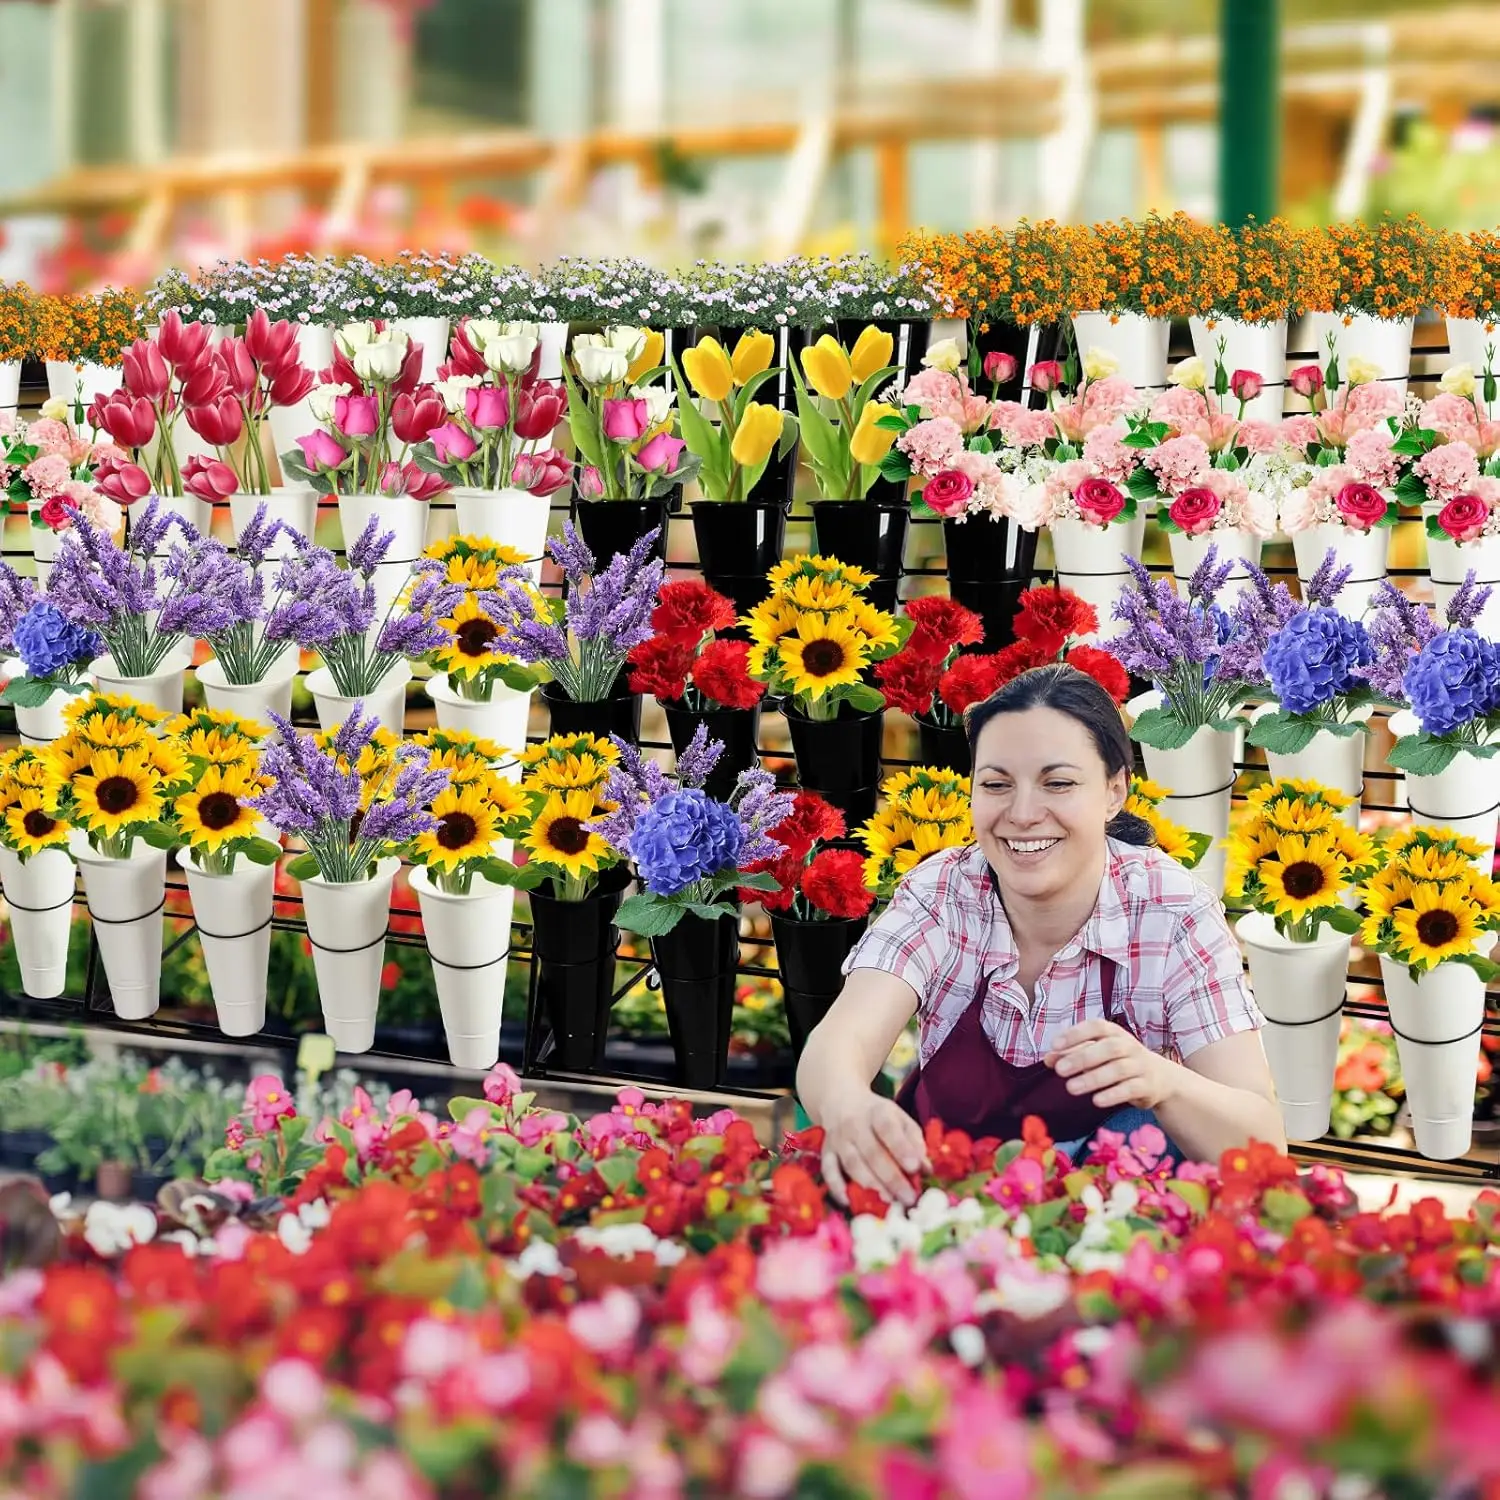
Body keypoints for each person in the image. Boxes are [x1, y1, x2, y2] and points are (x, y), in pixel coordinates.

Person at [797, 663, 1284, 1207]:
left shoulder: (1171, 910)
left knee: (1132, 1125)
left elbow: (1263, 1141)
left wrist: (1162, 1080)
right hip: (950, 1210)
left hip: (1113, 1231)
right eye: (997, 784)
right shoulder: (944, 892)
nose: (1023, 814)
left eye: (1058, 783)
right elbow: (840, 1041)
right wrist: (846, 1103)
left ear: (1114, 791)